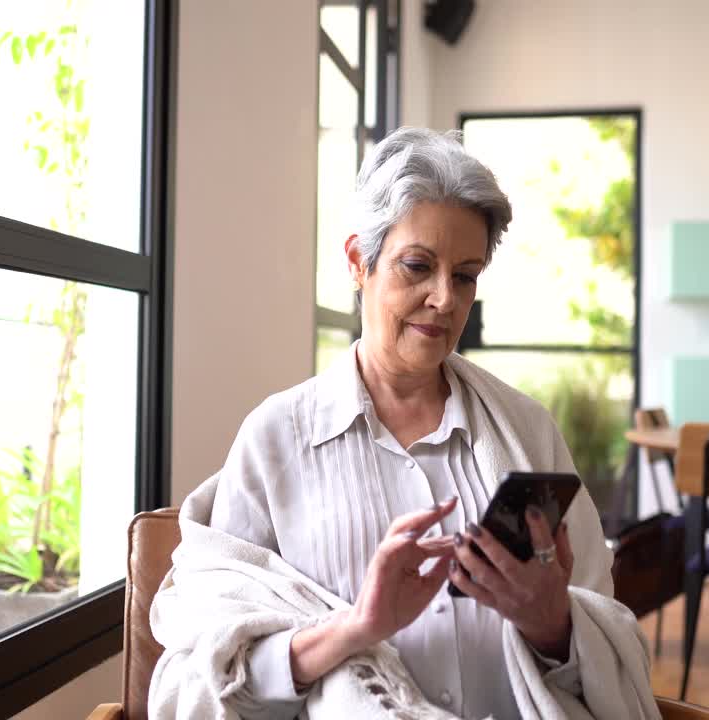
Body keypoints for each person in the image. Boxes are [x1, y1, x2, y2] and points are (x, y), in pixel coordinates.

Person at [149, 127, 653, 720]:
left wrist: (553, 627)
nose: (445, 298)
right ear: (359, 262)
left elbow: (614, 645)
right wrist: (358, 626)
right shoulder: (275, 441)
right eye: (418, 266)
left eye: (465, 275)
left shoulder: (527, 433)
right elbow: (201, 676)